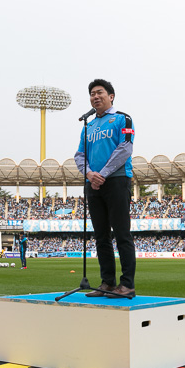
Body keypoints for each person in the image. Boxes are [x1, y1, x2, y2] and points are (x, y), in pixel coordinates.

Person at [74, 79, 136, 298]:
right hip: (93, 183)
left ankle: (127, 284)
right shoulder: (88, 126)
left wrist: (104, 173)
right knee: (100, 236)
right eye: (92, 93)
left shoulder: (122, 119)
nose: (95, 96)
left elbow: (125, 148)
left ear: (111, 96)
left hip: (117, 180)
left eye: (100, 92)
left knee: (121, 234)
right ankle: (107, 283)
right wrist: (89, 173)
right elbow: (79, 154)